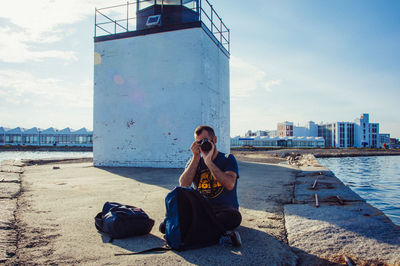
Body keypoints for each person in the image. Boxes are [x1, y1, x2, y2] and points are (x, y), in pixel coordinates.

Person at [160, 125, 242, 246]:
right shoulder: (195, 160)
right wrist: (196, 157)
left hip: (223, 210)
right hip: (202, 209)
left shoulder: (227, 158)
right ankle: (218, 234)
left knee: (234, 217)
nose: (203, 145)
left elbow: (230, 184)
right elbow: (184, 184)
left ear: (214, 140)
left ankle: (191, 231)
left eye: (205, 141)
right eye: (199, 142)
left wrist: (209, 162)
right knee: (163, 226)